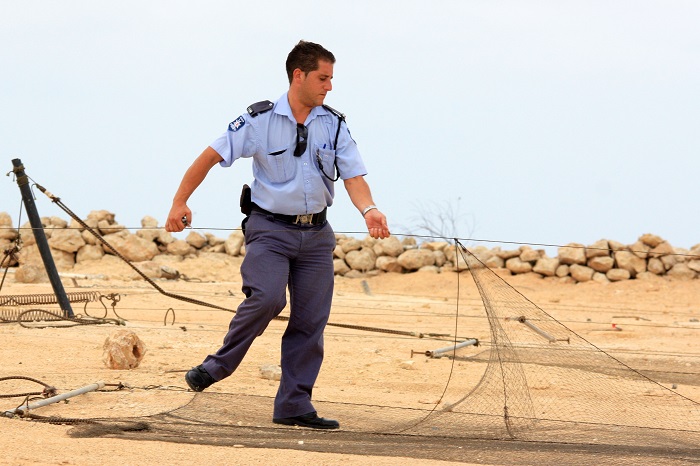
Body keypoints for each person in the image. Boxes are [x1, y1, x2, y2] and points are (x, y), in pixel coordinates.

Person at [165, 40, 390, 430]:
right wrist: (179, 202)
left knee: (311, 320)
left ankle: (293, 405)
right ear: (298, 76)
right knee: (268, 298)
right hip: (269, 230)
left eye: (332, 79)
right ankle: (217, 367)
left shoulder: (333, 123)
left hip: (317, 235)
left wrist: (369, 210)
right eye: (323, 78)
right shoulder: (257, 121)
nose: (329, 87)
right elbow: (208, 157)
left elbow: (353, 175)